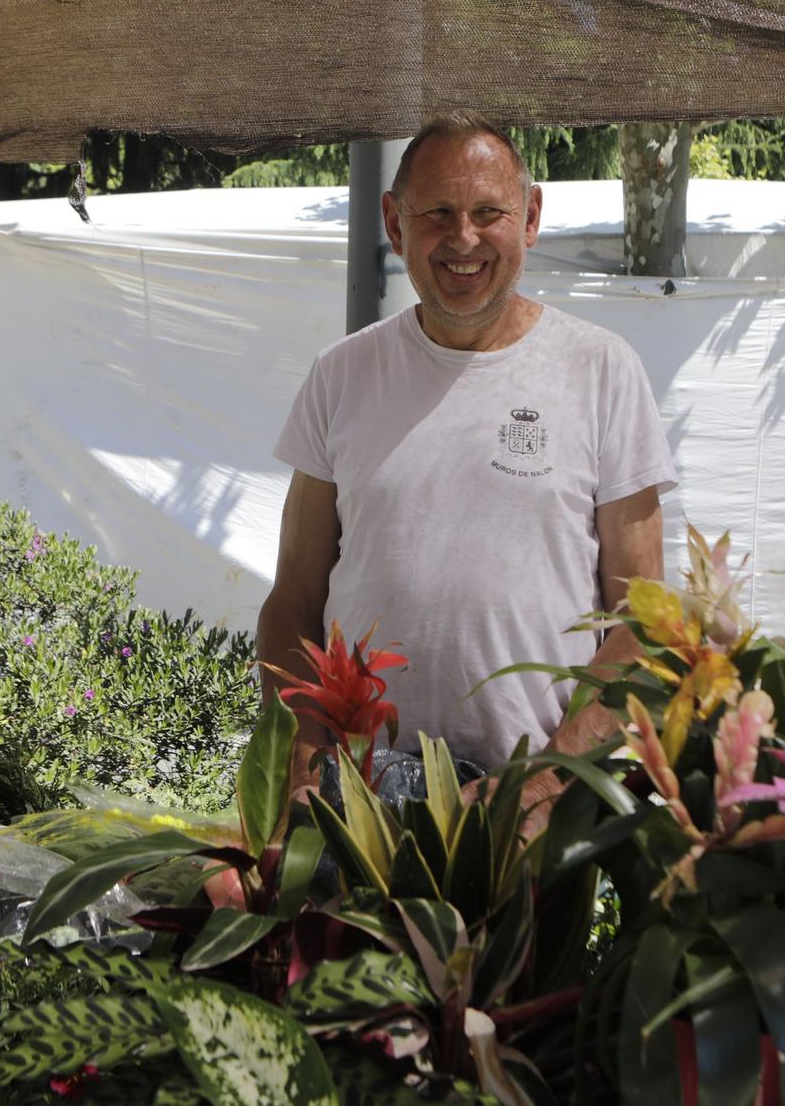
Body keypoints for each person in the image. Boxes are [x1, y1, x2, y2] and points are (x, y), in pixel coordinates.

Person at [259, 111, 677, 825]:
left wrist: (546, 783)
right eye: (438, 214)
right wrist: (302, 763)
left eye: (489, 213)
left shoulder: (601, 371)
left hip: (531, 812)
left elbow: (644, 618)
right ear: (394, 224)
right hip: (356, 806)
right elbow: (294, 597)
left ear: (532, 216)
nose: (463, 239)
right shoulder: (342, 375)